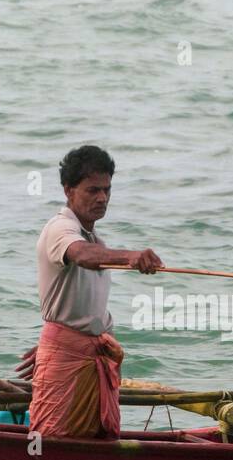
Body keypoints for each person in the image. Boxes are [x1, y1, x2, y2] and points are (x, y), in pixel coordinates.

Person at [18, 145, 162, 439]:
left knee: (98, 439)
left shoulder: (97, 239)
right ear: (68, 190)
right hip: (67, 362)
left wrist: (61, 343)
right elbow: (81, 255)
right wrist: (130, 257)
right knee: (54, 440)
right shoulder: (61, 229)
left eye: (107, 190)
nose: (102, 198)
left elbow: (82, 303)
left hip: (90, 356)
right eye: (92, 190)